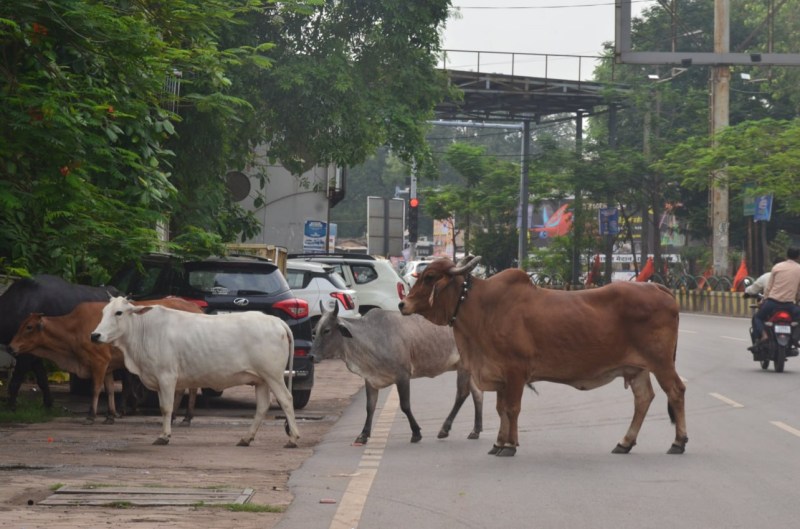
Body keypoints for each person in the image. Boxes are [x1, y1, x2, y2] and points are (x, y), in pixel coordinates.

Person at [749, 247, 800, 349]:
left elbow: (769, 287)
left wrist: (764, 300)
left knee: (757, 317)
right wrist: (797, 301)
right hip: (789, 305)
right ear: (798, 257)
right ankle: (795, 338)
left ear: (787, 256)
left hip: (772, 302)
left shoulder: (777, 267)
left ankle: (764, 335)